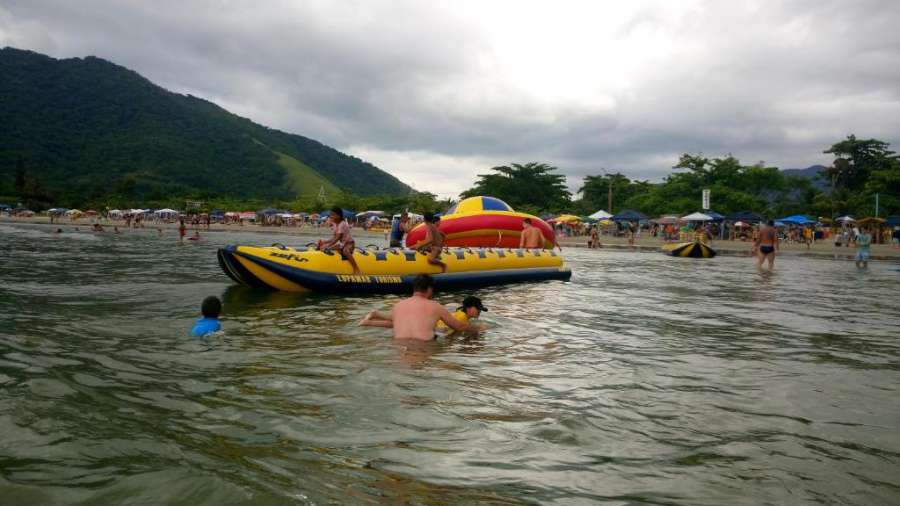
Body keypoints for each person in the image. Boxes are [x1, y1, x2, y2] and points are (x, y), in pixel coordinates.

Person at [359, 275, 479, 340]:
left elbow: (393, 325)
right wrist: (478, 328)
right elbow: (458, 326)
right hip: (425, 349)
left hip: (398, 351)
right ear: (429, 289)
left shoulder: (398, 306)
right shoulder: (435, 307)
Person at [318, 206, 360, 274]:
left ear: (339, 216)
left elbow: (337, 238)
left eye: (333, 215)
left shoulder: (342, 224)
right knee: (323, 247)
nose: (331, 216)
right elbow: (334, 238)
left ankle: (356, 267)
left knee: (345, 251)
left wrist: (328, 246)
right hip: (342, 244)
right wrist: (324, 242)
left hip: (349, 243)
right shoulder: (334, 224)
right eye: (331, 214)